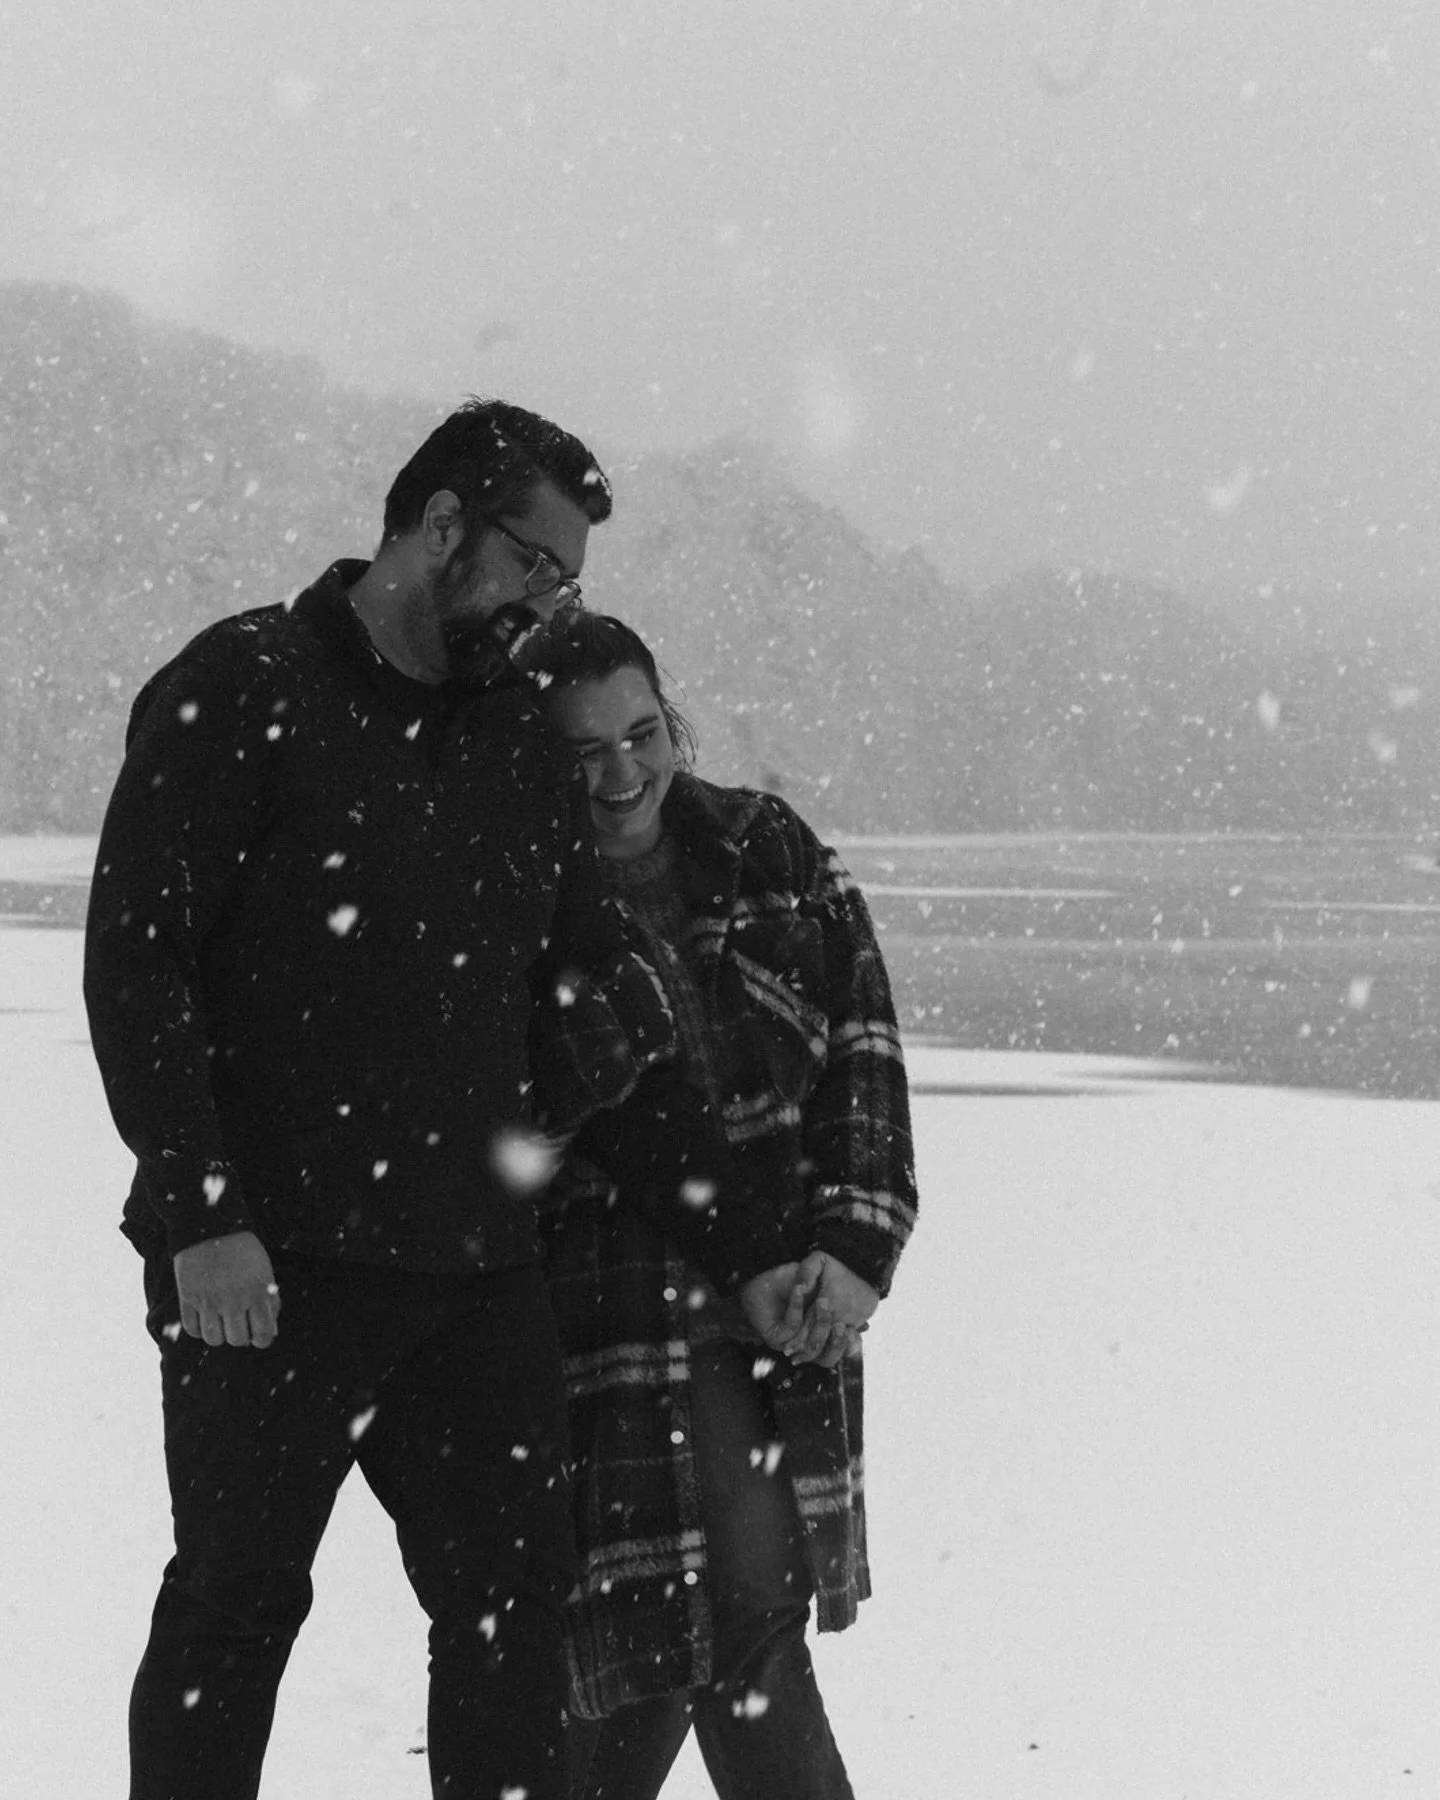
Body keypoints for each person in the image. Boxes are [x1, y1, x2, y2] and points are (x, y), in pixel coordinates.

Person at [85, 399, 628, 1800]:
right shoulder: (243, 685)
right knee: (234, 1609)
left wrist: (593, 1059)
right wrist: (202, 1210)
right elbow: (139, 964)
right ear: (442, 525)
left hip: (474, 1271)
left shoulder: (517, 739)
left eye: (568, 586)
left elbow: (578, 974)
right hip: (268, 1266)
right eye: (536, 566)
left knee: (517, 1613)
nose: (547, 608)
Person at [526, 615, 918, 1800]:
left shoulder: (769, 852)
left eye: (641, 734)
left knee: (682, 1644)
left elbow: (863, 1045)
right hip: (612, 1324)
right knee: (714, 1626)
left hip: (784, 1311)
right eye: (584, 751)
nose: (622, 773)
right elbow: (536, 1121)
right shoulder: (525, 898)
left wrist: (856, 1245)